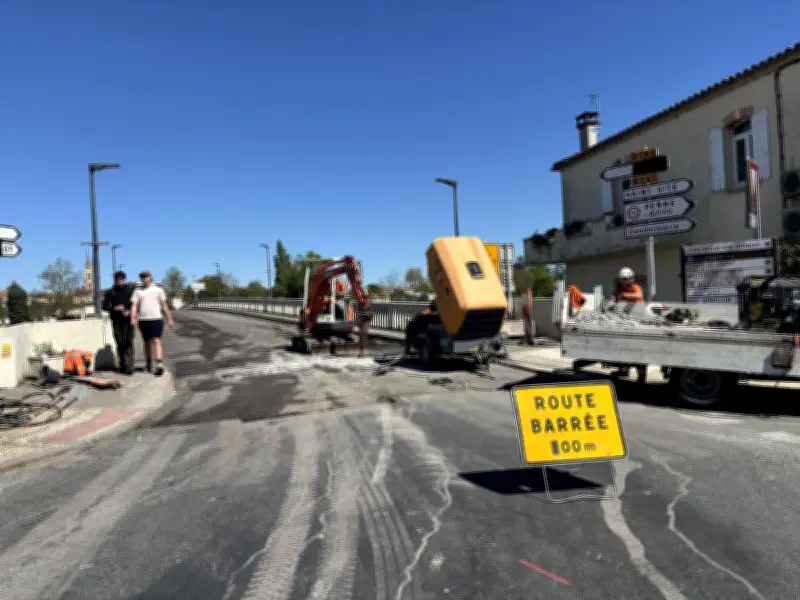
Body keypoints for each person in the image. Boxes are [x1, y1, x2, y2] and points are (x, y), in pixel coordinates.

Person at [130, 270, 174, 376]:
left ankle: (159, 363)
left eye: (146, 276)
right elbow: (134, 306)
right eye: (142, 277)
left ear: (150, 277)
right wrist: (133, 317)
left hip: (156, 319)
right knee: (146, 342)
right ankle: (148, 362)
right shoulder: (137, 291)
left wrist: (169, 319)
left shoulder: (158, 290)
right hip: (143, 320)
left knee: (156, 340)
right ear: (141, 279)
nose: (145, 278)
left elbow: (164, 305)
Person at [613, 267, 647, 383]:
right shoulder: (620, 286)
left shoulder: (635, 287)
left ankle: (641, 377)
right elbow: (616, 297)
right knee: (622, 346)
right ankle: (623, 369)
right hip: (624, 319)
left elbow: (638, 295)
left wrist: (624, 295)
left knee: (638, 350)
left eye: (626, 279)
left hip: (637, 319)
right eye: (622, 279)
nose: (624, 281)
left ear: (631, 278)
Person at [102, 270, 136, 375]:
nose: (120, 281)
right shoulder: (110, 292)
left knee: (128, 342)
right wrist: (115, 308)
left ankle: (129, 366)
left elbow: (135, 304)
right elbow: (104, 306)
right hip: (116, 322)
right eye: (118, 279)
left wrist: (129, 311)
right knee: (120, 342)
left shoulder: (130, 290)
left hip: (128, 321)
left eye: (122, 279)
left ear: (125, 279)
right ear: (115, 280)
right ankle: (123, 364)